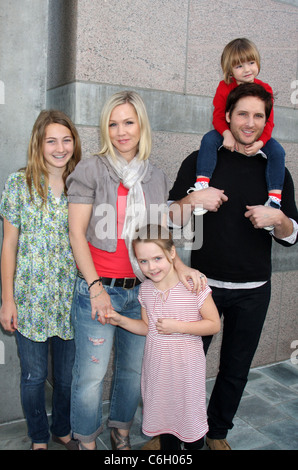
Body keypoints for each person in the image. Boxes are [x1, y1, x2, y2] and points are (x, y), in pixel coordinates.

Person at [66, 90, 205, 450]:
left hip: (142, 290)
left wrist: (181, 266)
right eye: (113, 123)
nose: (121, 131)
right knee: (91, 375)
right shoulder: (91, 169)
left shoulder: (155, 176)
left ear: (141, 125)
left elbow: (157, 237)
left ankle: (121, 430)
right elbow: (76, 234)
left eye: (128, 122)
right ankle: (86, 440)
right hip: (97, 290)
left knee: (131, 371)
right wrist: (96, 288)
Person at [168, 82, 298, 450]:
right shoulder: (201, 161)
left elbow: (292, 232)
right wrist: (195, 197)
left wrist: (278, 220)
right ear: (227, 115)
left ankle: (217, 432)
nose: (250, 122)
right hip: (201, 287)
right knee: (186, 369)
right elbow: (168, 219)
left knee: (236, 369)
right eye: (243, 113)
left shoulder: (276, 170)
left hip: (254, 290)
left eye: (259, 115)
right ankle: (174, 434)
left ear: (266, 121)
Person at [0, 110, 82, 450]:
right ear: (39, 143)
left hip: (71, 298)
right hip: (30, 299)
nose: (59, 147)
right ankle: (37, 436)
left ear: (74, 143)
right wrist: (7, 299)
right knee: (34, 377)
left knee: (65, 378)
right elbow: (8, 245)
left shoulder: (82, 182)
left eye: (66, 139)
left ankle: (62, 427)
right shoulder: (18, 184)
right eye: (51, 140)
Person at [106, 224, 220, 450]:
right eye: (143, 261)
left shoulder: (193, 286)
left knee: (190, 430)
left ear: (172, 253)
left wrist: (178, 326)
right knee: (166, 426)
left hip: (186, 370)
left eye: (157, 258)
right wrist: (119, 320)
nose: (151, 267)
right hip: (158, 371)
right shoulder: (146, 290)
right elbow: (147, 327)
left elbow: (214, 324)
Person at [191, 38, 285, 225]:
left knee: (278, 152)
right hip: (227, 130)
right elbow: (218, 116)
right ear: (229, 70)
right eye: (240, 66)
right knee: (209, 140)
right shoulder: (224, 87)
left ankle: (274, 199)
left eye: (251, 62)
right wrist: (226, 133)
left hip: (259, 138)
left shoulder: (265, 88)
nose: (247, 69)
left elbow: (269, 122)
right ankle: (202, 183)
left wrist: (261, 142)